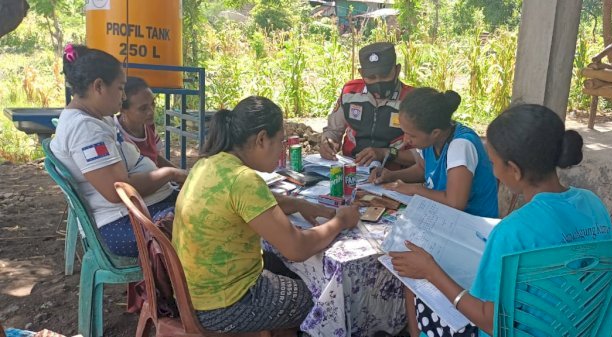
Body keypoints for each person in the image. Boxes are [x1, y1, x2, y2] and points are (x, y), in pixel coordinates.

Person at [389, 104, 612, 337]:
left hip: (517, 330)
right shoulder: (593, 204)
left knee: (423, 296)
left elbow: (491, 321)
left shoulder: (513, 231)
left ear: (514, 170)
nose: (494, 172)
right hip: (579, 327)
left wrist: (431, 271)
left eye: (493, 163)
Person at [171, 96, 361, 334]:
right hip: (223, 306)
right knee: (320, 299)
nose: (282, 149)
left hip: (192, 294)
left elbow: (249, 205)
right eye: (280, 141)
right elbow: (297, 248)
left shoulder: (209, 163)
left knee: (281, 266)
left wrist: (298, 203)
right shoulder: (244, 180)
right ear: (262, 139)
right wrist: (340, 221)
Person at [52, 44, 187, 257]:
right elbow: (118, 191)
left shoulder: (97, 118)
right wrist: (169, 174)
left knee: (214, 204)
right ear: (98, 87)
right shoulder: (85, 129)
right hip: (121, 224)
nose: (123, 96)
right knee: (211, 219)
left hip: (138, 211)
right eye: (120, 88)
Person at [369, 87, 499, 218]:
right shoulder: (430, 138)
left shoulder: (460, 145)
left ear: (435, 133)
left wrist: (414, 189)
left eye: (411, 136)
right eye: (404, 132)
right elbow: (422, 169)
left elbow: (455, 203)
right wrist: (391, 176)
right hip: (445, 216)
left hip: (473, 224)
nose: (406, 140)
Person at [320, 42, 416, 168]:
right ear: (361, 74)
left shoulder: (412, 100)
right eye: (371, 77)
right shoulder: (350, 92)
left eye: (384, 75)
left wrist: (385, 153)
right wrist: (328, 143)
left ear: (397, 70)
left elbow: (422, 155)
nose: (378, 82)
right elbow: (333, 131)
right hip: (352, 168)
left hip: (395, 173)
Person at [114, 76, 175, 168]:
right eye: (143, 108)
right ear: (123, 109)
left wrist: (182, 174)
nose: (151, 111)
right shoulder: (115, 134)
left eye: (153, 104)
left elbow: (156, 157)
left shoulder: (149, 127)